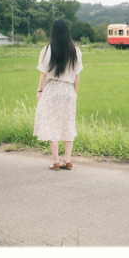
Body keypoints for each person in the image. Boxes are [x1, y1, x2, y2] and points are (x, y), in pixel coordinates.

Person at [33, 19, 83, 171]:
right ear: (68, 32)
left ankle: (56, 161)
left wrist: (39, 91)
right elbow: (77, 75)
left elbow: (43, 74)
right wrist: (75, 93)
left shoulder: (47, 49)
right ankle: (67, 160)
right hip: (68, 90)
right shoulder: (76, 51)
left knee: (52, 123)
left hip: (52, 89)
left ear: (53, 32)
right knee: (68, 123)